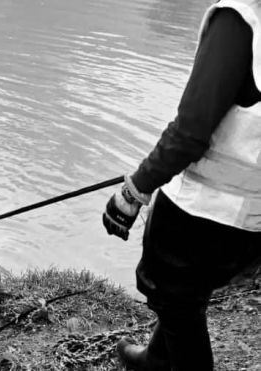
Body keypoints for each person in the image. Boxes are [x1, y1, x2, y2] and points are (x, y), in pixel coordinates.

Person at [102, 1, 261, 370]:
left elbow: (189, 134)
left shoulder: (240, 20)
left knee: (175, 299)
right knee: (185, 297)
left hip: (203, 215)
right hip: (253, 219)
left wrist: (133, 191)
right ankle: (155, 360)